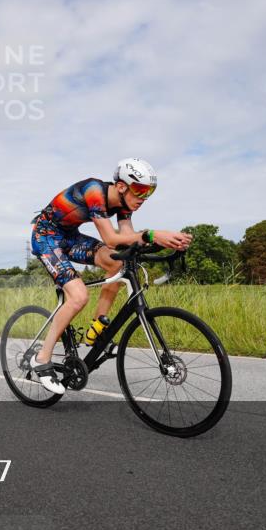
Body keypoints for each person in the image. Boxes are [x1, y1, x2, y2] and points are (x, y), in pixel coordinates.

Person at [28, 158, 193, 394]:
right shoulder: (94, 191)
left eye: (149, 193)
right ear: (122, 186)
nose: (143, 199)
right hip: (45, 236)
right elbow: (111, 238)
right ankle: (41, 359)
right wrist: (153, 235)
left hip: (70, 236)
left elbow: (127, 237)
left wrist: (164, 243)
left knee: (119, 261)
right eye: (140, 191)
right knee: (78, 296)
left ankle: (97, 328)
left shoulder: (125, 205)